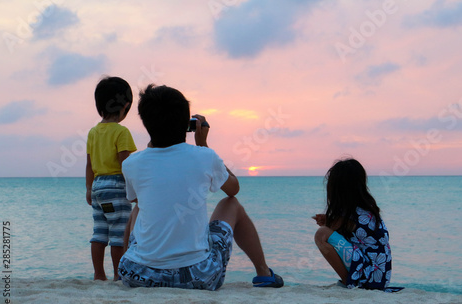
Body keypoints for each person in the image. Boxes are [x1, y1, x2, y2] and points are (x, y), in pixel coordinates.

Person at [118, 84, 283, 290]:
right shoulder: (204, 156)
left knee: (139, 207)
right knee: (231, 204)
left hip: (137, 274)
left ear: (146, 124)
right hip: (197, 276)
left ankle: (119, 272)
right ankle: (263, 272)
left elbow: (138, 198)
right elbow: (233, 189)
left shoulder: (131, 164)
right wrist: (203, 144)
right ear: (186, 123)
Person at [313, 158, 401, 291]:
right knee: (326, 232)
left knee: (321, 235)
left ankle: (347, 282)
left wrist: (328, 222)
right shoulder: (365, 209)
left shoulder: (352, 214)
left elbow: (336, 229)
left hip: (369, 274)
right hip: (379, 277)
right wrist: (330, 221)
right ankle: (350, 281)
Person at [86, 76, 137, 281]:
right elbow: (127, 166)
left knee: (99, 232)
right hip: (117, 187)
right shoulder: (121, 132)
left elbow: (89, 164)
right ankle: (118, 275)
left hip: (98, 186)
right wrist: (135, 191)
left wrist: (89, 188)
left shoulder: (93, 132)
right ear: (126, 106)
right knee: (119, 234)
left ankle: (99, 275)